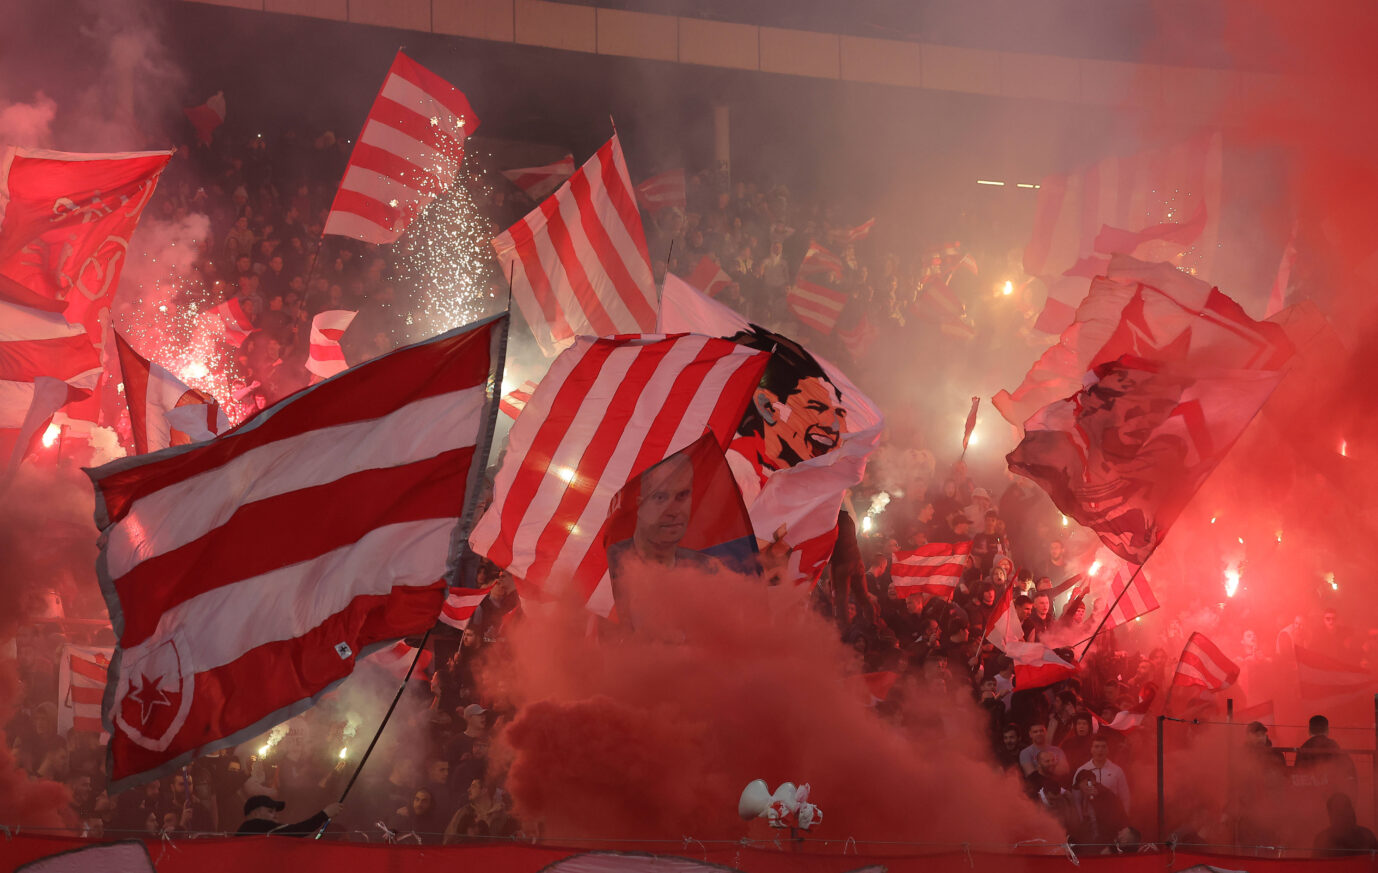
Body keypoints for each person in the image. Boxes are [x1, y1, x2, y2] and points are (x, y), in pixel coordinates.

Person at [1295, 714, 1357, 789]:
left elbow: (1297, 773)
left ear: (1309, 730)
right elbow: (1348, 772)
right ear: (1327, 730)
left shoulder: (1304, 749)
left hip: (1308, 789)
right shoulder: (1334, 747)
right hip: (1332, 790)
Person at [236, 795, 342, 837]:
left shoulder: (243, 831)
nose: (276, 816)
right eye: (270, 811)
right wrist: (325, 813)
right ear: (255, 813)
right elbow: (297, 831)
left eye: (276, 812)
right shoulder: (258, 826)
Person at [1073, 737, 1129, 813]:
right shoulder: (1081, 770)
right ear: (1091, 749)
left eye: (1103, 747)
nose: (1100, 750)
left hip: (1112, 816)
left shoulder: (1117, 771)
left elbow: (1125, 797)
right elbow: (1076, 800)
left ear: (1108, 750)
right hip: (1089, 817)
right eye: (1096, 746)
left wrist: (1125, 817)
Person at [1314, 793, 1378, 857]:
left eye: (1347, 807)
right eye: (1338, 810)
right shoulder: (1322, 841)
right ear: (1330, 815)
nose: (1344, 813)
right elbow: (1316, 862)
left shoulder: (1367, 836)